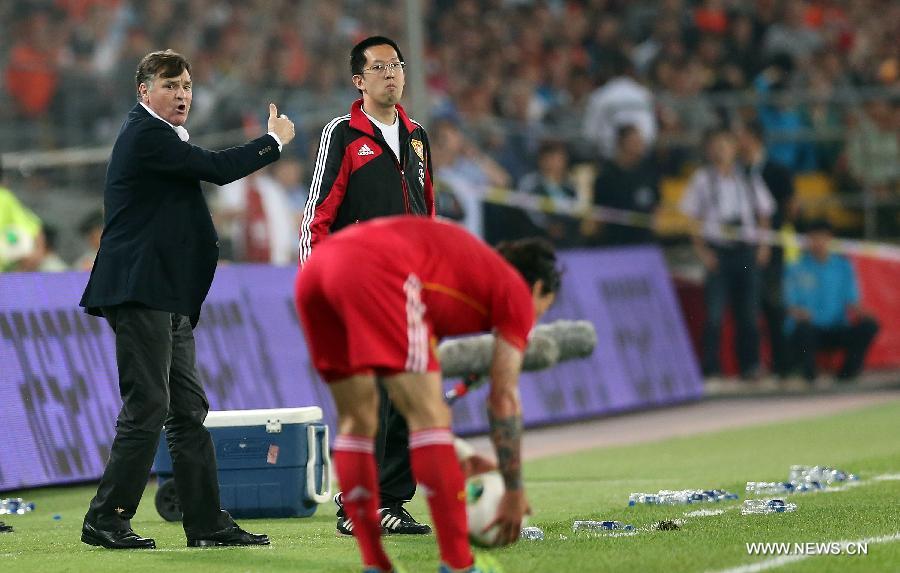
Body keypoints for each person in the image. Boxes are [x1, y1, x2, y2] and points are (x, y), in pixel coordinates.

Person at [78, 49, 295, 550]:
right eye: (170, 85)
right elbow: (218, 169)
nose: (181, 95)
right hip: (140, 290)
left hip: (164, 294)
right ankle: (106, 518)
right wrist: (272, 144)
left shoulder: (162, 139)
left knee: (187, 410)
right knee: (150, 404)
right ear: (143, 92)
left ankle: (207, 524)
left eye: (187, 86)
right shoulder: (146, 135)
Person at [295, 216, 561, 573]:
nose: (537, 317)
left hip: (318, 271)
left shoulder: (459, 271)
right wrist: (514, 490)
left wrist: (456, 453)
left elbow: (411, 372)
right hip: (379, 271)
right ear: (539, 286)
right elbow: (504, 399)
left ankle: (376, 562)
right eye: (546, 305)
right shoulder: (516, 291)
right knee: (431, 417)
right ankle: (458, 563)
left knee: (358, 420)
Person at [298, 36, 434, 536]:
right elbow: (318, 213)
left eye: (396, 65)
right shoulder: (342, 134)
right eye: (379, 67)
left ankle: (389, 501)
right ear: (359, 80)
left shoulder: (418, 136)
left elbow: (427, 213)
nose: (391, 74)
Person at [680, 128, 775, 382]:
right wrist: (703, 253)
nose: (722, 150)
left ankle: (751, 366)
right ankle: (711, 368)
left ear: (734, 148)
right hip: (718, 252)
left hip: (745, 251)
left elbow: (764, 212)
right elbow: (692, 219)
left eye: (727, 145)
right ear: (710, 150)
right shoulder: (702, 179)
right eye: (717, 145)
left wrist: (763, 246)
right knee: (714, 314)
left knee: (749, 312)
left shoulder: (747, 177)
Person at [784, 220, 879, 384]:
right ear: (807, 240)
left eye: (822, 238)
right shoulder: (795, 268)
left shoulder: (843, 267)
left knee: (869, 325)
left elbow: (853, 301)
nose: (818, 243)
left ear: (830, 239)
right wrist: (799, 313)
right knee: (803, 330)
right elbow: (788, 305)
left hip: (836, 328)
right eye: (813, 238)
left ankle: (846, 375)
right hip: (809, 329)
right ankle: (809, 376)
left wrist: (863, 312)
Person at [738, 120, 796, 378]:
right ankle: (750, 366)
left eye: (742, 136)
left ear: (754, 138)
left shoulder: (776, 170)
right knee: (748, 310)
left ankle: (783, 365)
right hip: (742, 249)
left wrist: (772, 233)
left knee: (774, 308)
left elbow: (791, 206)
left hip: (771, 247)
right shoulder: (736, 171)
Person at [592, 124, 660, 246]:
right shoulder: (607, 176)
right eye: (634, 141)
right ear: (622, 143)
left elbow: (657, 202)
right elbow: (599, 213)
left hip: (644, 240)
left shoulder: (649, 171)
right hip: (615, 241)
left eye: (640, 140)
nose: (640, 144)